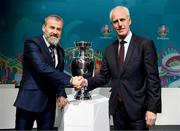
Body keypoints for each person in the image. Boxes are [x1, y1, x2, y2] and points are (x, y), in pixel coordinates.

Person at [74, 6, 161, 130]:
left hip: (138, 110)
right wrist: (85, 82)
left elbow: (153, 79)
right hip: (117, 111)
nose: (120, 24)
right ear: (112, 25)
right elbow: (104, 76)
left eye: (122, 19)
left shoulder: (145, 44)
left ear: (129, 21)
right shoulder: (109, 50)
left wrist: (152, 109)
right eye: (115, 21)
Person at [13, 15, 81, 130]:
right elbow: (42, 67)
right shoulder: (32, 43)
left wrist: (60, 94)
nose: (55, 32)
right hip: (29, 100)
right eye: (52, 27)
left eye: (58, 29)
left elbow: (57, 73)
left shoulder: (60, 50)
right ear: (44, 28)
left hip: (48, 104)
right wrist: (70, 79)